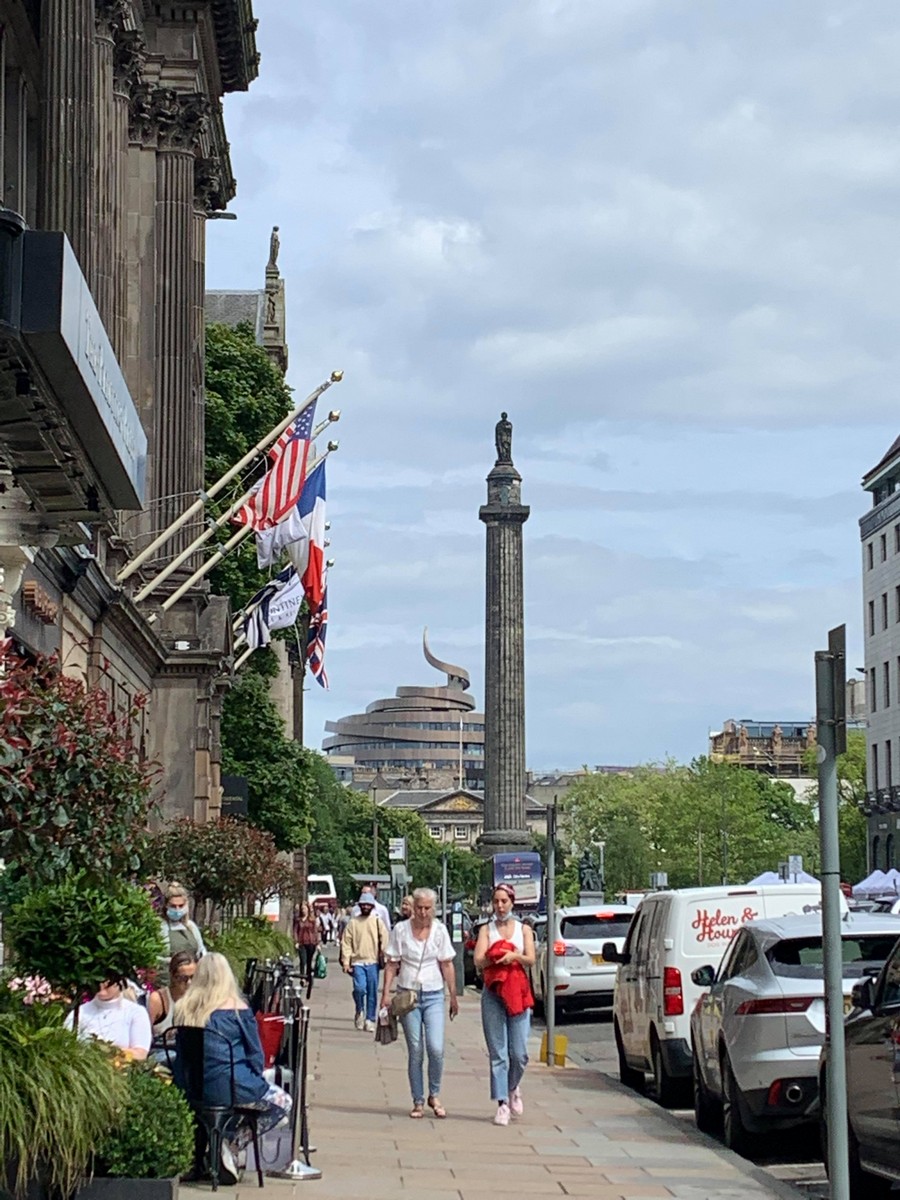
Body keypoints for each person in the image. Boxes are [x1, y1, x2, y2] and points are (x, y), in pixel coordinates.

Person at [173, 952, 292, 1184]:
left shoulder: (184, 1007)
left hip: (193, 1087)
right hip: (233, 1085)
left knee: (214, 1109)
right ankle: (231, 1143)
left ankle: (215, 1145)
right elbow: (255, 1055)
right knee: (283, 1102)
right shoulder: (238, 1009)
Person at [380, 887, 458, 1120]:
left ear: (434, 909)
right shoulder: (401, 930)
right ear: (412, 907)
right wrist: (385, 994)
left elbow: (447, 964)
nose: (423, 913)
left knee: (436, 1047)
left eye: (427, 908)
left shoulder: (440, 931)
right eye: (419, 908)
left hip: (434, 994)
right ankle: (418, 1100)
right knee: (415, 1048)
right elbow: (392, 964)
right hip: (408, 996)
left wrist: (453, 995)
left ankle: (434, 1093)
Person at [473, 883, 535, 1126]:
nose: (500, 906)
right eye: (496, 902)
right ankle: (501, 1103)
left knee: (518, 1054)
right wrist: (495, 956)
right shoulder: (487, 930)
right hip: (494, 993)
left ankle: (512, 1086)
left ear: (512, 902)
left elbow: (531, 958)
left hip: (518, 993)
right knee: (499, 1053)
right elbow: (479, 960)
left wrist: (514, 956)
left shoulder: (524, 930)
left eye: (504, 901)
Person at [66, 975, 152, 1059]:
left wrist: (108, 1052)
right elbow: (65, 1047)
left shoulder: (136, 1012)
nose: (102, 983)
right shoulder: (80, 1012)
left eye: (108, 979)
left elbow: (140, 1054)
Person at [340, 892, 389, 1032]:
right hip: (358, 962)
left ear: (372, 906)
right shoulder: (353, 923)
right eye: (364, 904)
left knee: (372, 991)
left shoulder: (377, 921)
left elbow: (384, 939)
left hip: (373, 962)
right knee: (360, 989)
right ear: (360, 906)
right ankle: (359, 1011)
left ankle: (370, 1019)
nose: (366, 906)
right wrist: (346, 962)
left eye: (369, 904)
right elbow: (346, 944)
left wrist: (384, 956)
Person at [148, 950, 197, 1051]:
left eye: (194, 977)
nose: (189, 983)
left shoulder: (199, 999)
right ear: (173, 976)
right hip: (162, 1051)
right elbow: (144, 1035)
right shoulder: (158, 999)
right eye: (183, 978)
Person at [158, 882, 206, 981]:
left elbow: (201, 951)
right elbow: (155, 957)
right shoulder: (160, 927)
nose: (177, 909)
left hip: (192, 980)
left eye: (181, 905)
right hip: (168, 979)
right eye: (173, 906)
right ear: (166, 905)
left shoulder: (191, 926)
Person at [294, 901, 321, 979]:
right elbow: (295, 931)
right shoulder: (298, 920)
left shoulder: (312, 920)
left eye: (305, 908)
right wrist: (296, 941)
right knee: (303, 960)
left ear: (308, 909)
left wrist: (318, 943)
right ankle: (302, 977)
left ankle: (308, 977)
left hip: (311, 942)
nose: (303, 910)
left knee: (309, 961)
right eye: (302, 909)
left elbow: (315, 931)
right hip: (301, 942)